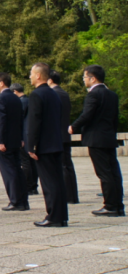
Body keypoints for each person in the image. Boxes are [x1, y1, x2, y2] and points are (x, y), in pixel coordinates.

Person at [70, 65, 124, 217]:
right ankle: (118, 205)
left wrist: (73, 127)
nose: (84, 80)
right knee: (114, 172)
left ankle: (110, 206)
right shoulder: (112, 95)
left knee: (104, 173)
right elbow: (115, 118)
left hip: (96, 139)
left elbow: (87, 114)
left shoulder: (93, 95)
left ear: (93, 78)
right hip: (108, 137)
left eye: (85, 77)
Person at [27, 62, 68, 227]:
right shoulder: (54, 94)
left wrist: (32, 145)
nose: (29, 76)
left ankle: (53, 216)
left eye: (31, 73)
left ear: (38, 75)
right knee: (57, 181)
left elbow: (35, 122)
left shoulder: (37, 95)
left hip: (44, 145)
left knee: (49, 183)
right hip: (56, 142)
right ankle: (61, 215)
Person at [0, 72, 29, 211]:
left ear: (2, 83)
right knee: (17, 170)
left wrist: (0, 141)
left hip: (5, 141)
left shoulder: (1, 98)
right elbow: (20, 120)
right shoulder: (16, 98)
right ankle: (23, 200)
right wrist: (20, 138)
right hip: (15, 140)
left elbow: (1, 121)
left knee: (9, 172)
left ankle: (15, 201)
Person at [48, 71, 79, 205]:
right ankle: (71, 195)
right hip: (63, 133)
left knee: (64, 166)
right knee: (67, 165)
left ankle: (69, 195)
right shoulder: (63, 93)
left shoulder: (55, 94)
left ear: (49, 80)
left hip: (58, 134)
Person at [11, 83, 40, 195]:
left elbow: (18, 119)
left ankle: (28, 186)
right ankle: (33, 185)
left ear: (15, 92)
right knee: (32, 162)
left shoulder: (21, 102)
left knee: (25, 161)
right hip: (30, 134)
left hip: (23, 135)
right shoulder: (29, 100)